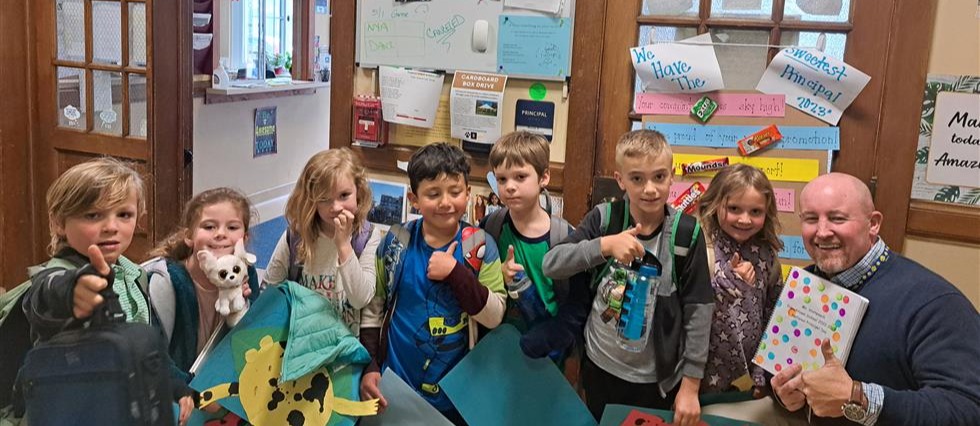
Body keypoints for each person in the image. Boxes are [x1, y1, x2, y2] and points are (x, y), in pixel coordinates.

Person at [768, 173, 980, 425]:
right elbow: (779, 371)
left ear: (873, 223)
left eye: (837, 218)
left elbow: (968, 409)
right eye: (811, 219)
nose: (822, 232)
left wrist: (858, 397)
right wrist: (786, 395)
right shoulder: (804, 285)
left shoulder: (935, 303)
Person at [542, 130, 712, 426]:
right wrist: (604, 246)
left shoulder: (687, 234)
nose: (650, 189)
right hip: (600, 369)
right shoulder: (604, 219)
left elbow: (699, 311)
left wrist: (691, 385)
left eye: (659, 177)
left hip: (657, 381)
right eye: (637, 178)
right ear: (620, 180)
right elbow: (551, 264)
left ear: (672, 177)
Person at [21, 157, 195, 424]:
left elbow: (143, 347)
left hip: (127, 406)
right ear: (58, 223)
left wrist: (173, 384)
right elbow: (47, 293)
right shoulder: (57, 274)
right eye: (93, 215)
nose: (111, 226)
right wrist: (73, 290)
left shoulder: (135, 274)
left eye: (124, 214)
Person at [359, 142, 506, 424]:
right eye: (433, 194)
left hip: (455, 399)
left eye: (454, 191)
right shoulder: (397, 241)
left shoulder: (479, 245)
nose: (445, 202)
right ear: (414, 199)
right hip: (395, 388)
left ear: (468, 192)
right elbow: (373, 307)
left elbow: (495, 315)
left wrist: (455, 272)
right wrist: (371, 364)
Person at [480, 131, 590, 378]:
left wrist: (554, 339)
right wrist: (497, 274)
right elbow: (473, 278)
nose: (509, 186)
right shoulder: (488, 227)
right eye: (502, 178)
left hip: (547, 356)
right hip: (497, 353)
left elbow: (578, 304)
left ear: (544, 177)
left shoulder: (566, 237)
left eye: (520, 177)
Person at [143, 187, 261, 381]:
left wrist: (241, 311)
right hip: (176, 395)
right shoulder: (165, 280)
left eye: (232, 227)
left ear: (244, 238)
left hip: (221, 394)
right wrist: (193, 394)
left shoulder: (247, 274)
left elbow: (252, 342)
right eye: (209, 227)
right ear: (189, 236)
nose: (220, 234)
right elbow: (153, 356)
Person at [261, 148, 381, 336]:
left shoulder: (367, 236)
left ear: (359, 192)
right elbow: (268, 292)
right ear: (312, 201)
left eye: (344, 195)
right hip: (303, 344)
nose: (335, 207)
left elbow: (361, 299)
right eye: (324, 200)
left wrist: (343, 245)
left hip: (346, 347)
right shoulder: (296, 235)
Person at [696, 164, 783, 396]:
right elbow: (687, 309)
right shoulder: (701, 247)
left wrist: (762, 372)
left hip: (749, 377)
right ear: (714, 205)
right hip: (700, 375)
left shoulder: (768, 257)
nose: (745, 220)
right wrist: (724, 281)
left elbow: (773, 316)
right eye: (734, 208)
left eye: (755, 212)